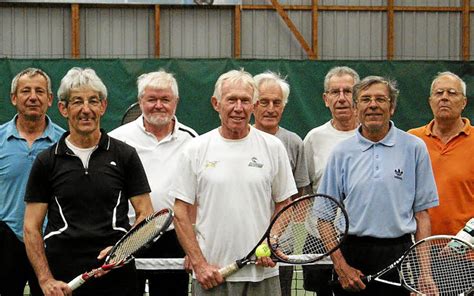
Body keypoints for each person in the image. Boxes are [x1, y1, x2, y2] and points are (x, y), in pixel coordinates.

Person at [23, 67, 154, 296]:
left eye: (93, 101)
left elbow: (146, 215)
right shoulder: (46, 161)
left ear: (103, 106)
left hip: (117, 276)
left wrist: (121, 251)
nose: (86, 110)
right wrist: (45, 280)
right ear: (63, 108)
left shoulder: (125, 155)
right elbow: (31, 227)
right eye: (77, 102)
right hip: (62, 277)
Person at [170, 69, 298, 296]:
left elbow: (285, 204)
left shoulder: (273, 147)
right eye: (231, 100)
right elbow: (180, 212)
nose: (238, 108)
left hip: (263, 275)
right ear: (216, 103)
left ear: (254, 105)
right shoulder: (195, 149)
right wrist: (199, 263)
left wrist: (271, 240)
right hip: (213, 276)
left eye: (245, 101)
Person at [318, 76, 439, 296]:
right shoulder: (340, 153)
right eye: (365, 99)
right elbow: (324, 219)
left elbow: (422, 216)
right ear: (356, 108)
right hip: (352, 254)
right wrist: (341, 266)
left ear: (391, 107)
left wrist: (425, 272)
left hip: (400, 254)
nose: (373, 104)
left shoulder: (414, 148)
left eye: (380, 99)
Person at [109, 70, 198, 296]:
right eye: (151, 99)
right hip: (128, 236)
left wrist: (194, 247)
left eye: (165, 99)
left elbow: (199, 197)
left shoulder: (192, 141)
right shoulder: (117, 139)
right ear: (140, 102)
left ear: (175, 102)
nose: (159, 105)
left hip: (174, 238)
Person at [0, 68, 65, 296]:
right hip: (6, 241)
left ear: (50, 99)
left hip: (51, 241)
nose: (33, 97)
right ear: (14, 98)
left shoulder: (64, 142)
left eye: (40, 91)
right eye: (25, 91)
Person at [302, 66, 359, 296]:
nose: (342, 98)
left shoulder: (374, 136)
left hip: (358, 243)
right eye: (335, 92)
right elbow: (306, 190)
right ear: (326, 99)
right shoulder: (313, 139)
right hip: (317, 241)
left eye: (348, 91)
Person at [253, 71, 310, 296]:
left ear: (283, 106)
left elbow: (298, 197)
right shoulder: (237, 139)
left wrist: (275, 236)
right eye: (264, 102)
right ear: (254, 105)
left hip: (280, 246)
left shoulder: (294, 142)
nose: (270, 108)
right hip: (242, 241)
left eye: (277, 103)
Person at [408, 72, 474, 236]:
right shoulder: (411, 140)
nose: (444, 98)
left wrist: (464, 241)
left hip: (467, 254)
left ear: (464, 102)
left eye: (452, 93)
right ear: (431, 102)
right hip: (419, 250)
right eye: (439, 93)